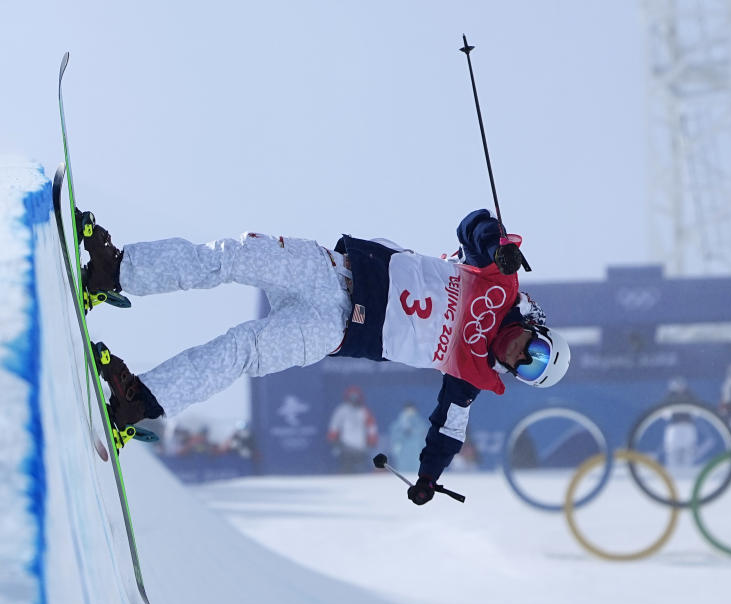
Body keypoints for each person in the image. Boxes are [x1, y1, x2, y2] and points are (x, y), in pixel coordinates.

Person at [80, 208, 571, 505]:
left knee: (243, 351)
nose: (521, 356)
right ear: (536, 327)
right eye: (536, 349)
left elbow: (449, 428)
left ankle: (138, 401)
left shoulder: (473, 375)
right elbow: (475, 226)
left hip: (333, 331)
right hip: (331, 271)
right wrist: (500, 244)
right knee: (229, 256)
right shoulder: (497, 283)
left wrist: (428, 477)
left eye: (527, 368)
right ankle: (117, 271)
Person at [327, 386, 378, 473]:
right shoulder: (341, 410)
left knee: (360, 471)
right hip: (345, 447)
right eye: (351, 397)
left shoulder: (364, 411)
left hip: (360, 447)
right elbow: (334, 427)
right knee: (346, 470)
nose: (353, 399)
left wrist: (372, 442)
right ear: (347, 397)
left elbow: (371, 428)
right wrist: (333, 441)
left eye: (356, 397)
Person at [662, 376, 698, 468]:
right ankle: (672, 472)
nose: (679, 387)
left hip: (687, 427)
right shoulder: (670, 397)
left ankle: (688, 471)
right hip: (675, 428)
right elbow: (665, 414)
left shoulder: (690, 395)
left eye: (681, 385)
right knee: (673, 451)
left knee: (688, 451)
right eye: (677, 385)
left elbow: (697, 412)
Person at [387, 402, 428, 474]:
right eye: (407, 410)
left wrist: (425, 449)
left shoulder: (420, 423)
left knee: (417, 474)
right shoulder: (398, 424)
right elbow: (394, 437)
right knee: (404, 474)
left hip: (416, 454)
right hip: (403, 455)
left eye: (412, 410)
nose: (410, 412)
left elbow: (425, 437)